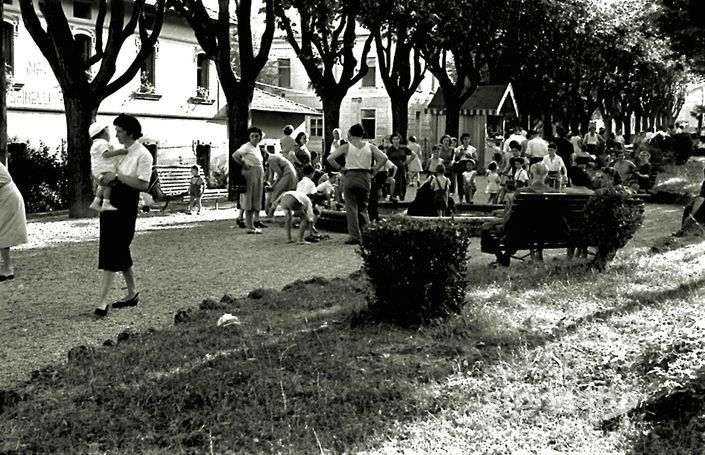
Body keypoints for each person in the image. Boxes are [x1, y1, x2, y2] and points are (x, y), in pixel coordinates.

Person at [94, 114, 153, 317]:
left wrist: (118, 176)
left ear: (129, 131)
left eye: (119, 130)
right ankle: (132, 292)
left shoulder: (143, 155)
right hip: (110, 199)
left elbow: (144, 185)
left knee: (115, 248)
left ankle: (102, 301)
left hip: (126, 203)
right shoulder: (118, 152)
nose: (116, 134)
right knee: (116, 247)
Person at [326, 123, 388, 244]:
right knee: (363, 207)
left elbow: (330, 158)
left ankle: (354, 235)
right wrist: (375, 169)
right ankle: (366, 233)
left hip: (350, 175)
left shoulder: (347, 147)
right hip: (365, 177)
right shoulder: (370, 147)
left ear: (350, 134)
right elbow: (384, 158)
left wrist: (340, 168)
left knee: (351, 207)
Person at [232, 126, 266, 234]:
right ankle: (249, 226)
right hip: (250, 173)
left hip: (258, 174)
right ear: (249, 137)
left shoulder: (257, 147)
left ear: (260, 137)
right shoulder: (246, 146)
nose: (255, 138)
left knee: (256, 198)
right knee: (248, 198)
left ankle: (253, 223)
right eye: (252, 136)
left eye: (257, 136)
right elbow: (235, 155)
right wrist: (243, 163)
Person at [88, 122, 127, 212]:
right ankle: (106, 203)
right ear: (103, 133)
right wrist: (119, 152)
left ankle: (96, 202)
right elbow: (106, 154)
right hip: (104, 170)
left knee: (103, 186)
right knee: (111, 184)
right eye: (108, 131)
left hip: (97, 171)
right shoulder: (102, 143)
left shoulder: (95, 144)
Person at [0, 160, 27, 281]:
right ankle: (7, 267)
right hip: (4, 195)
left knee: (3, 230)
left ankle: (8, 268)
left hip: (7, 196)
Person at [265, 152, 297, 218]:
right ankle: (270, 211)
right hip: (289, 173)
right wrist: (270, 185)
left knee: (277, 192)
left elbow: (279, 174)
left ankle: (270, 213)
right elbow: (271, 174)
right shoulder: (271, 158)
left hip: (288, 174)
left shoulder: (271, 159)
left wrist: (273, 186)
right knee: (281, 193)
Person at [386, 133, 411, 201]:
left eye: (397, 139)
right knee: (394, 183)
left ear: (399, 139)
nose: (396, 141)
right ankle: (393, 196)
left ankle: (402, 197)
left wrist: (406, 163)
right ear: (392, 140)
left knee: (402, 182)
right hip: (393, 169)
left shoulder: (403, 148)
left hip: (402, 168)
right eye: (394, 139)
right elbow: (386, 159)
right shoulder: (389, 149)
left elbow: (413, 154)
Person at [454, 133, 477, 202]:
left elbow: (476, 159)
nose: (466, 141)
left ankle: (469, 198)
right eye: (465, 139)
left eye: (468, 139)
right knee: (460, 182)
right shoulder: (459, 148)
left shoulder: (472, 148)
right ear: (462, 140)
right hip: (461, 165)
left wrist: (470, 157)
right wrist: (460, 153)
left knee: (470, 182)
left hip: (469, 164)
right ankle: (461, 199)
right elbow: (456, 159)